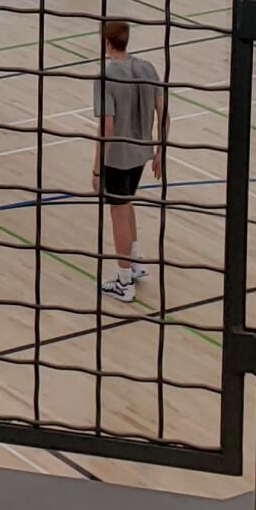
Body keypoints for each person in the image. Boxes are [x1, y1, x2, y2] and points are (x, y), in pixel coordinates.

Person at [94, 17, 165, 303]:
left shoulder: (106, 76)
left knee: (118, 213)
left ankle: (124, 282)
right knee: (127, 204)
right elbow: (164, 111)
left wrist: (98, 166)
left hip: (118, 156)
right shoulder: (147, 67)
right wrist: (161, 151)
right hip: (142, 150)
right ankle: (134, 263)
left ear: (107, 42)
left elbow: (108, 126)